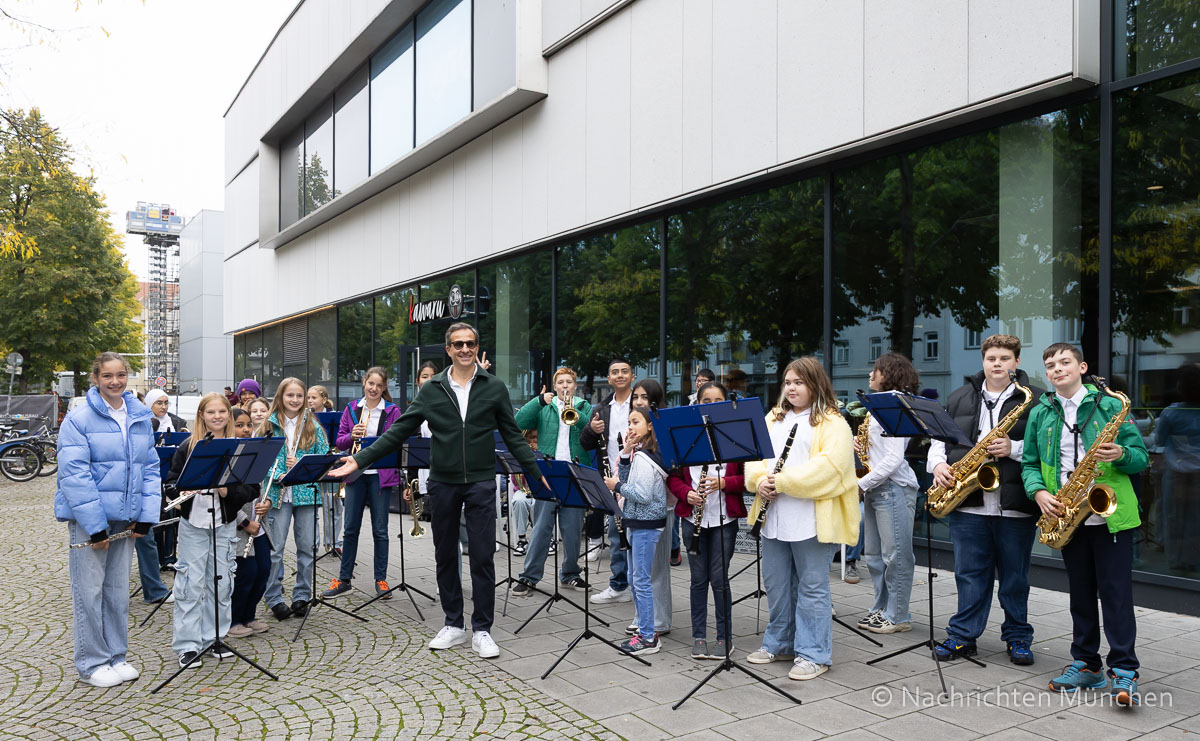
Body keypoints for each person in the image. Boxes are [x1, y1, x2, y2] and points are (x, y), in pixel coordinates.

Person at [330, 323, 544, 659]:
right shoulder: (432, 389)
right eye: (458, 344)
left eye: (470, 343)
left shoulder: (494, 387)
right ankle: (453, 624)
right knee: (445, 554)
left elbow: (513, 436)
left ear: (476, 346)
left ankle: (482, 629)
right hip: (442, 482)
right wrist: (358, 460)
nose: (464, 349)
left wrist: (536, 472)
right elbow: (398, 431)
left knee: (483, 556)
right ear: (448, 349)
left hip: (481, 481)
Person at [1025, 343, 1149, 706]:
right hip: (1066, 513)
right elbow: (1030, 463)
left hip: (1110, 515)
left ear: (1082, 367)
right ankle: (1087, 664)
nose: (1057, 369)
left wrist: (1122, 454)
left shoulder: (1111, 405)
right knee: (1080, 595)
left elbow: (1141, 458)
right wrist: (1038, 494)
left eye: (1065, 362)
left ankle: (1124, 669)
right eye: (1050, 365)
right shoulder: (1042, 411)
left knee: (1116, 595)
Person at [926, 334, 1043, 665]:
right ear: (983, 361)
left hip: (1015, 504)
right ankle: (963, 637)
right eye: (992, 358)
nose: (997, 364)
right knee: (969, 574)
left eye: (1005, 358)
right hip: (970, 501)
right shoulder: (960, 396)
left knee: (1015, 579)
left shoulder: (1034, 400)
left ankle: (1018, 637)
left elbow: (1046, 450)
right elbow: (939, 440)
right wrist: (938, 466)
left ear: (1016, 362)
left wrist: (1014, 449)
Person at [744, 357, 859, 680]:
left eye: (799, 382)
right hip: (774, 517)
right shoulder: (773, 418)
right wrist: (758, 480)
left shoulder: (833, 422)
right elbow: (754, 456)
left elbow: (829, 469)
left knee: (812, 588)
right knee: (777, 585)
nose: (792, 388)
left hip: (811, 519)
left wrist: (780, 481)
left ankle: (814, 653)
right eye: (788, 382)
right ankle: (780, 643)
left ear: (815, 384)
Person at [56, 352, 160, 687]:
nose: (115, 381)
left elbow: (150, 469)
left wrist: (145, 517)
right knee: (89, 592)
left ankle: (117, 656)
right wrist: (95, 524)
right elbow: (74, 475)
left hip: (126, 519)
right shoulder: (79, 419)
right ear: (96, 378)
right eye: (107, 376)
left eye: (120, 375)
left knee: (115, 592)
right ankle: (91, 662)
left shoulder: (139, 416)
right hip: (93, 521)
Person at [166, 393, 257, 668]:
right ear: (202, 416)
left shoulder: (240, 448)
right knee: (190, 584)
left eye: (222, 412)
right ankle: (187, 645)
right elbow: (170, 485)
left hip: (224, 523)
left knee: (221, 581)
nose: (217, 416)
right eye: (211, 412)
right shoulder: (188, 446)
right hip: (194, 524)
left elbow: (252, 489)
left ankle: (213, 638)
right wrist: (183, 490)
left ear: (228, 415)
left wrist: (227, 490)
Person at [668, 381, 746, 660]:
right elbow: (674, 477)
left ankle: (724, 637)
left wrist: (724, 482)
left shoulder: (737, 434)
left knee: (720, 579)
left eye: (718, 400)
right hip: (693, 518)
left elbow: (748, 479)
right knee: (698, 579)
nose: (712, 405)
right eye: (706, 400)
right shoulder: (685, 435)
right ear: (697, 403)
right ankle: (699, 635)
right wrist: (686, 493)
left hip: (724, 519)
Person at [511, 367, 594, 597]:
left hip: (575, 471)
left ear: (575, 385)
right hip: (549, 471)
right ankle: (529, 577)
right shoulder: (545, 406)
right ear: (555, 386)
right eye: (561, 382)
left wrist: (572, 411)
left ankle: (570, 574)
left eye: (569, 382)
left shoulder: (583, 405)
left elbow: (589, 430)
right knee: (541, 528)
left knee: (572, 528)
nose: (565, 386)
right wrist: (538, 400)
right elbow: (518, 422)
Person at [855, 352, 922, 635]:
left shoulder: (897, 405)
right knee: (873, 554)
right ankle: (880, 608)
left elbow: (894, 458)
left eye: (876, 370)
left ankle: (898, 615)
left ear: (890, 374)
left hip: (893, 487)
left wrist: (862, 483)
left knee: (896, 555)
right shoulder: (877, 406)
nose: (871, 375)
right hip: (877, 486)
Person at [323, 366, 403, 601]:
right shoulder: (351, 408)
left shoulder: (392, 411)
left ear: (384, 387)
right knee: (350, 528)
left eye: (379, 385)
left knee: (380, 529)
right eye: (371, 384)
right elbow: (339, 441)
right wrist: (352, 436)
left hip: (380, 474)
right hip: (356, 474)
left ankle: (381, 579)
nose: (374, 389)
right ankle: (344, 578)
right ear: (364, 383)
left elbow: (396, 441)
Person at [259, 377, 331, 621]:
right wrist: (278, 472)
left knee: (308, 548)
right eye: (290, 395)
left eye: (299, 396)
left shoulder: (313, 427)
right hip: (278, 495)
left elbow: (322, 459)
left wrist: (301, 464)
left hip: (305, 492)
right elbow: (261, 461)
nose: (295, 400)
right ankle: (274, 597)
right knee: (275, 549)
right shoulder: (268, 426)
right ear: (281, 397)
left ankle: (302, 595)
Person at [604, 407, 668, 656]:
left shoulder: (647, 458)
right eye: (629, 422)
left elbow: (641, 494)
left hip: (645, 525)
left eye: (636, 421)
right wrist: (626, 452)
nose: (630, 426)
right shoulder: (639, 454)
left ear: (650, 426)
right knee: (634, 577)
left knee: (640, 580)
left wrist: (616, 485)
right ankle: (644, 628)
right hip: (637, 523)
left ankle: (648, 637)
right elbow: (627, 476)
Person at [581, 358, 635, 605]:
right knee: (617, 533)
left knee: (641, 535)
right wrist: (592, 428)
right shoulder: (601, 408)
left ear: (632, 376)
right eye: (615, 372)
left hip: (640, 474)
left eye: (625, 371)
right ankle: (619, 584)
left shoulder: (641, 403)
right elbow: (585, 443)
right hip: (613, 478)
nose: (620, 375)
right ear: (610, 378)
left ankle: (641, 585)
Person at [624, 378, 673, 637]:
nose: (640, 402)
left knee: (654, 569)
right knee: (640, 573)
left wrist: (618, 487)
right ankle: (644, 618)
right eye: (636, 397)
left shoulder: (660, 435)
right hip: (638, 512)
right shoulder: (639, 438)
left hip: (657, 509)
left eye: (645, 398)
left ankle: (658, 621)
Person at [227, 408, 272, 638]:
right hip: (241, 527)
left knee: (264, 570)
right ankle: (234, 619)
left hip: (259, 523)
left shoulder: (255, 452)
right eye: (239, 425)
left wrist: (268, 502)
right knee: (246, 574)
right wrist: (245, 523)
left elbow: (262, 488)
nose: (245, 429)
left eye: (247, 425)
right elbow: (224, 499)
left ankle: (249, 615)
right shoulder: (228, 454)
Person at [308, 385, 342, 553]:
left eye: (313, 398)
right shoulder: (305, 418)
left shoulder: (335, 417)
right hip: (313, 464)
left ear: (323, 399)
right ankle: (313, 543)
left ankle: (334, 543)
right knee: (313, 506)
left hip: (332, 463)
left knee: (333, 505)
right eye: (308, 398)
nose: (309, 401)